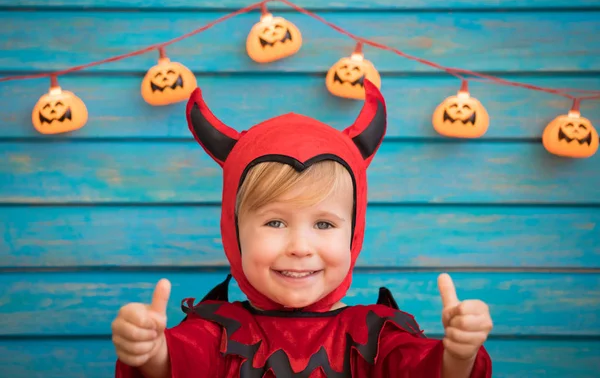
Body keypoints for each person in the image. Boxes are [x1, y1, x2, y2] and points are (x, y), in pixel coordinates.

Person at [112, 80, 493, 377]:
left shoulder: (376, 336)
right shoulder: (216, 333)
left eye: (324, 223)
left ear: (354, 234)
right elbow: (181, 364)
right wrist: (151, 351)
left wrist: (459, 355)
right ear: (234, 232)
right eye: (275, 222)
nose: (299, 246)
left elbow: (422, 371)